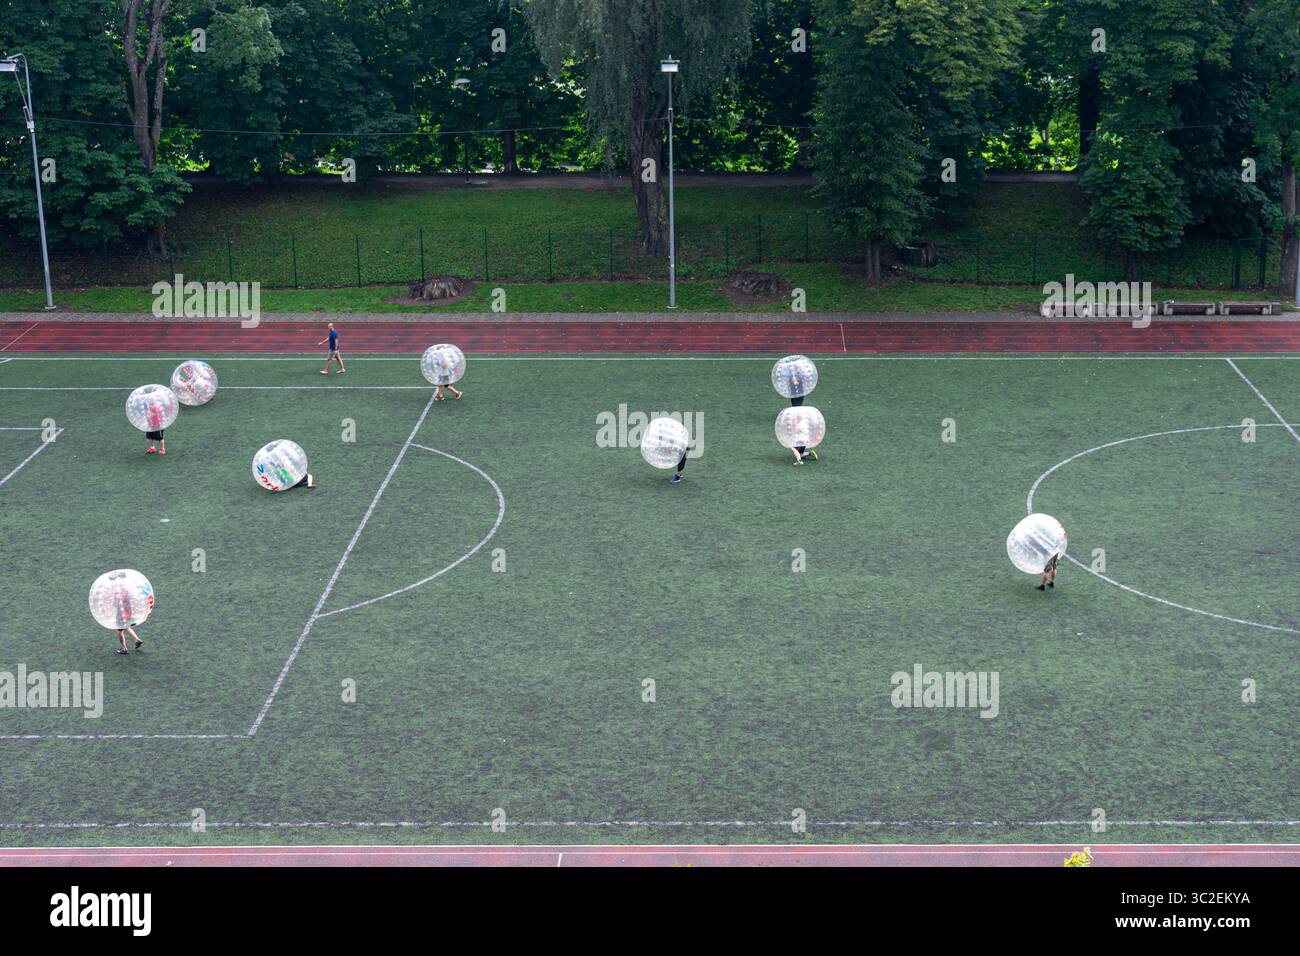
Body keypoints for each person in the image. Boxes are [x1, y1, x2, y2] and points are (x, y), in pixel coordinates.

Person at [788, 394, 817, 465]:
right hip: (804, 441)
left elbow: (796, 430)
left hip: (801, 441)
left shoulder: (802, 424)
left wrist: (793, 423)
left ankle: (799, 461)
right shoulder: (805, 422)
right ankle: (810, 454)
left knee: (792, 447)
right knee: (800, 453)